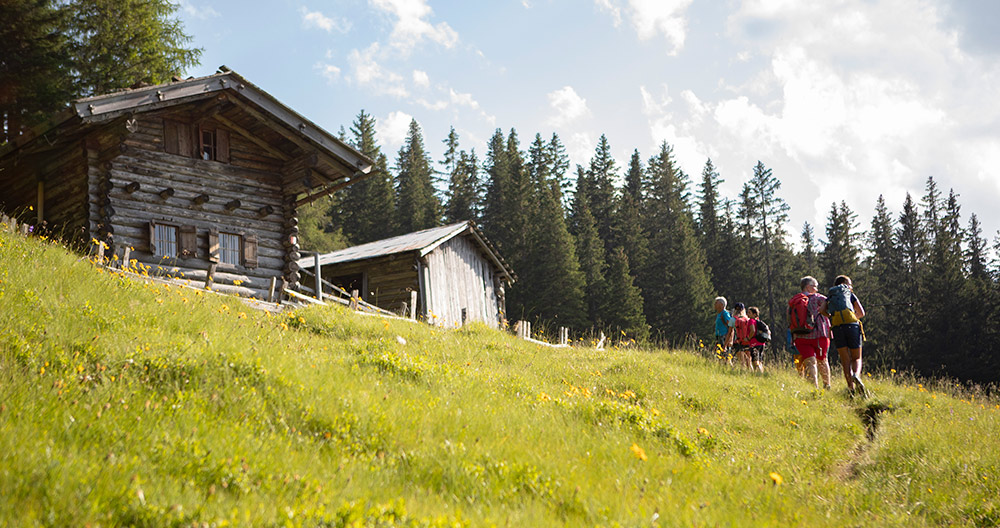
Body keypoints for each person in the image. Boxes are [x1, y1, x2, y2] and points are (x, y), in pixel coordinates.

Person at [789, 276, 833, 389]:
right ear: (808, 287)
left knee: (810, 362)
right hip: (819, 334)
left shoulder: (794, 300)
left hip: (800, 335)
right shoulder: (818, 298)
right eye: (815, 286)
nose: (817, 289)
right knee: (822, 360)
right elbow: (831, 306)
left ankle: (814, 388)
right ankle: (827, 386)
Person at [828, 275, 868, 396]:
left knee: (845, 360)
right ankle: (856, 374)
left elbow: (822, 310)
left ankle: (851, 388)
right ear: (845, 284)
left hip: (837, 327)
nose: (851, 287)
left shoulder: (831, 295)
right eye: (850, 284)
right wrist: (851, 317)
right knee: (856, 357)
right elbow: (861, 313)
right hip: (852, 327)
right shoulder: (849, 294)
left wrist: (832, 317)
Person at [713, 296, 735, 363]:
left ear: (722, 305)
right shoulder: (719, 314)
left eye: (716, 303)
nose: (715, 304)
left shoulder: (725, 314)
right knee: (720, 356)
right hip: (719, 337)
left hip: (724, 337)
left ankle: (730, 369)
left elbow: (731, 327)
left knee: (726, 356)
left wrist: (729, 340)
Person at [746, 306, 766, 372]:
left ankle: (758, 374)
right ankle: (762, 373)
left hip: (754, 343)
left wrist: (748, 338)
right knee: (759, 361)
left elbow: (753, 330)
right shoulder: (758, 321)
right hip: (761, 343)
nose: (747, 314)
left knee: (755, 361)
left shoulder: (751, 321)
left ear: (754, 314)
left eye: (749, 312)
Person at [732, 303, 752, 369]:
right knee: (749, 361)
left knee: (741, 361)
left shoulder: (733, 319)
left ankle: (743, 373)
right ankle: (752, 374)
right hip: (747, 341)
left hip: (737, 341)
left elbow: (730, 332)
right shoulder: (747, 319)